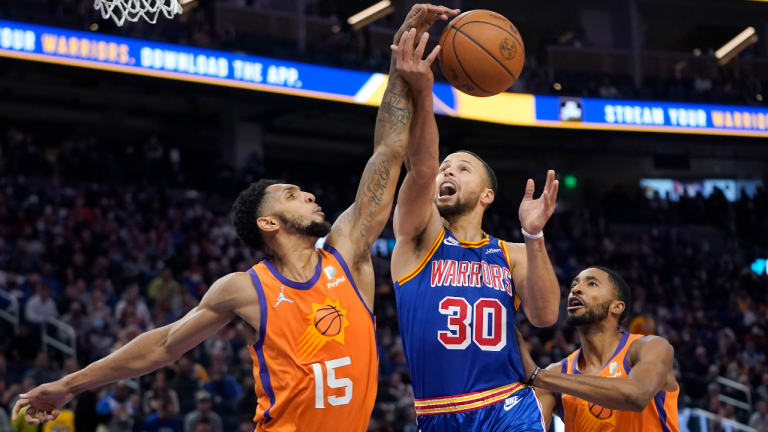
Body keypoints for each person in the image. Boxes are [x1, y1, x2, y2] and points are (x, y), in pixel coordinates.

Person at [11, 5, 458, 431]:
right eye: (291, 194)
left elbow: (389, 150)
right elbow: (164, 346)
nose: (308, 194)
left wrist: (406, 44)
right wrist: (68, 385)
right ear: (268, 222)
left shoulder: (348, 252)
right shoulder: (244, 289)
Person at [388, 19, 560, 432]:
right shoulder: (417, 242)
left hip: (507, 405)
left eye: (463, 168)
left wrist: (534, 234)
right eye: (447, 167)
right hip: (438, 414)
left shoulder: (513, 254)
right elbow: (423, 166)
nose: (448, 171)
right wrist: (423, 92)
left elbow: (544, 315)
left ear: (487, 195)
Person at [517, 267, 679, 432]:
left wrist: (540, 376)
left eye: (592, 284)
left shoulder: (650, 347)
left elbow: (637, 395)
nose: (575, 289)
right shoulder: (555, 374)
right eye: (574, 285)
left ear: (617, 307)